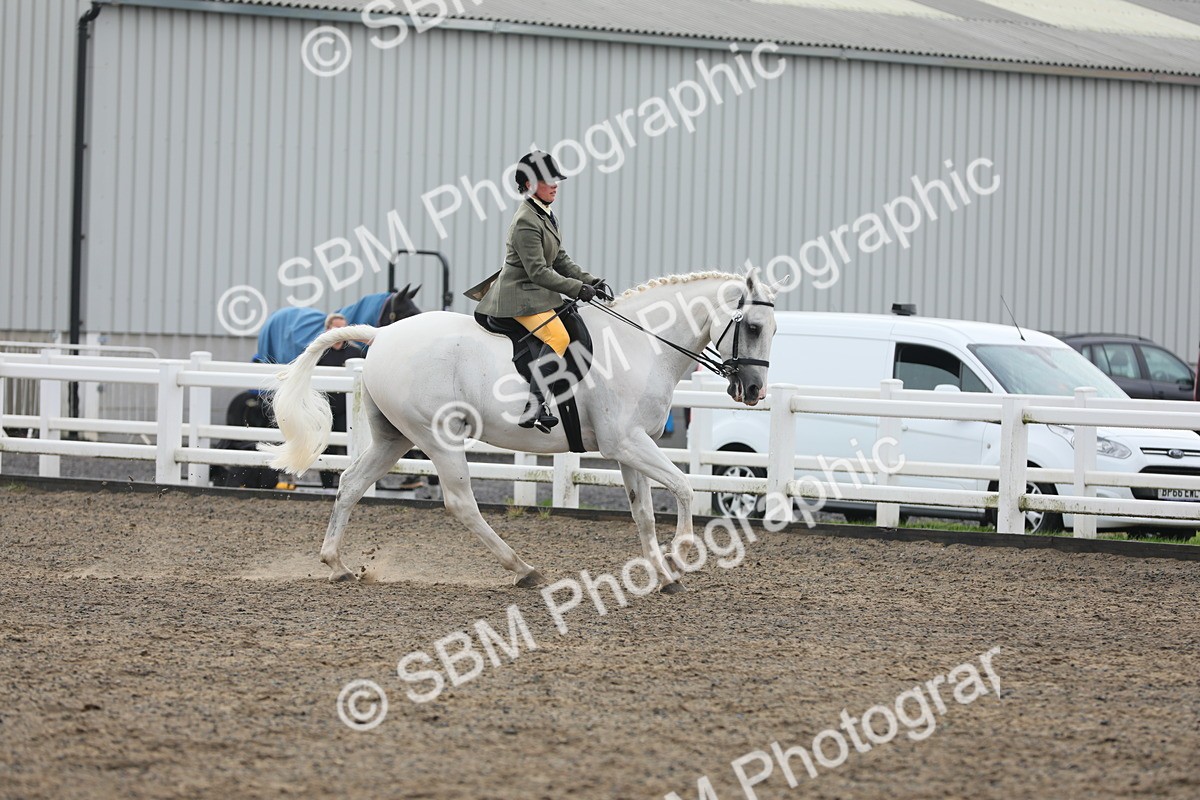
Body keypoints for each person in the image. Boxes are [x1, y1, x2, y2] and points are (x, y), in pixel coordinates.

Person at [474, 150, 610, 432]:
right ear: (530, 185)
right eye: (549, 180)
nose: (556, 185)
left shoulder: (545, 215)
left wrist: (590, 282)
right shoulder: (526, 220)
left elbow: (560, 259)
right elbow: (538, 272)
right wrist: (576, 288)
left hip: (537, 293)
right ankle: (534, 405)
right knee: (558, 336)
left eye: (556, 180)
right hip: (519, 296)